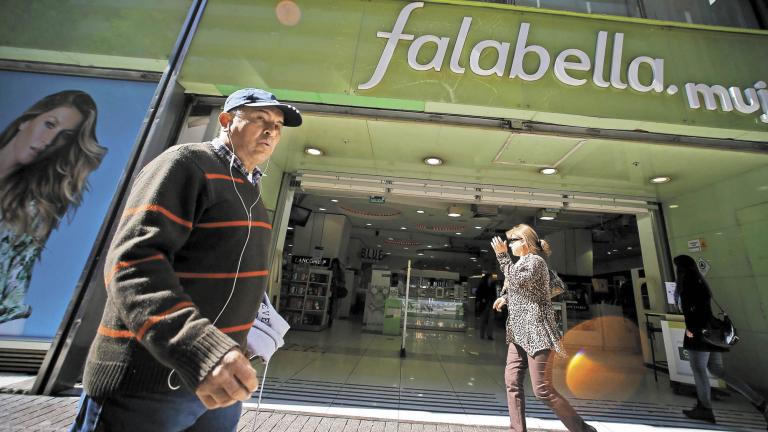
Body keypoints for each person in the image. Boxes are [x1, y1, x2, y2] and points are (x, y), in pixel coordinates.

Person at [70, 88, 302, 432]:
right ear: (225, 120)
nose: (271, 131)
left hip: (217, 384)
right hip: (149, 382)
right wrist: (199, 348)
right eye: (259, 119)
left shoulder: (250, 189)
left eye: (278, 126)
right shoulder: (186, 164)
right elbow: (132, 265)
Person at [0, 90, 105, 325]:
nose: (48, 141)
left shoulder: (32, 212)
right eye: (49, 124)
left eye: (64, 136)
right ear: (27, 120)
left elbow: (12, 296)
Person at [491, 224, 596, 432]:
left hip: (537, 332)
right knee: (512, 383)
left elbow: (521, 280)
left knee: (543, 390)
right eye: (509, 241)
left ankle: (583, 429)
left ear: (526, 243)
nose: (509, 244)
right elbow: (525, 288)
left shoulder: (536, 262)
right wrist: (505, 298)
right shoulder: (520, 263)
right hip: (517, 333)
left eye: (514, 240)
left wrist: (502, 257)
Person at [674, 254, 768, 426]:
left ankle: (704, 408)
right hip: (711, 332)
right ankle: (760, 402)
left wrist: (691, 330)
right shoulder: (701, 281)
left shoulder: (687, 282)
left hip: (699, 335)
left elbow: (692, 310)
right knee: (717, 370)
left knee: (699, 370)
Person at [476, 273, 496, 340]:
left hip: (491, 305)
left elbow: (494, 294)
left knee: (491, 320)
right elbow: (478, 294)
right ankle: (482, 335)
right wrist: (481, 300)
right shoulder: (482, 284)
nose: (492, 279)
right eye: (491, 277)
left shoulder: (493, 285)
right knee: (483, 320)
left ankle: (489, 335)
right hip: (483, 305)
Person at [327, 258, 346, 327]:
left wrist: (337, 282)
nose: (334, 265)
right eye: (333, 263)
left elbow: (343, 282)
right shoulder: (329, 270)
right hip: (328, 290)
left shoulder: (340, 272)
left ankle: (330, 319)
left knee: (333, 305)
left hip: (335, 291)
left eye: (336, 263)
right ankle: (328, 318)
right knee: (328, 304)